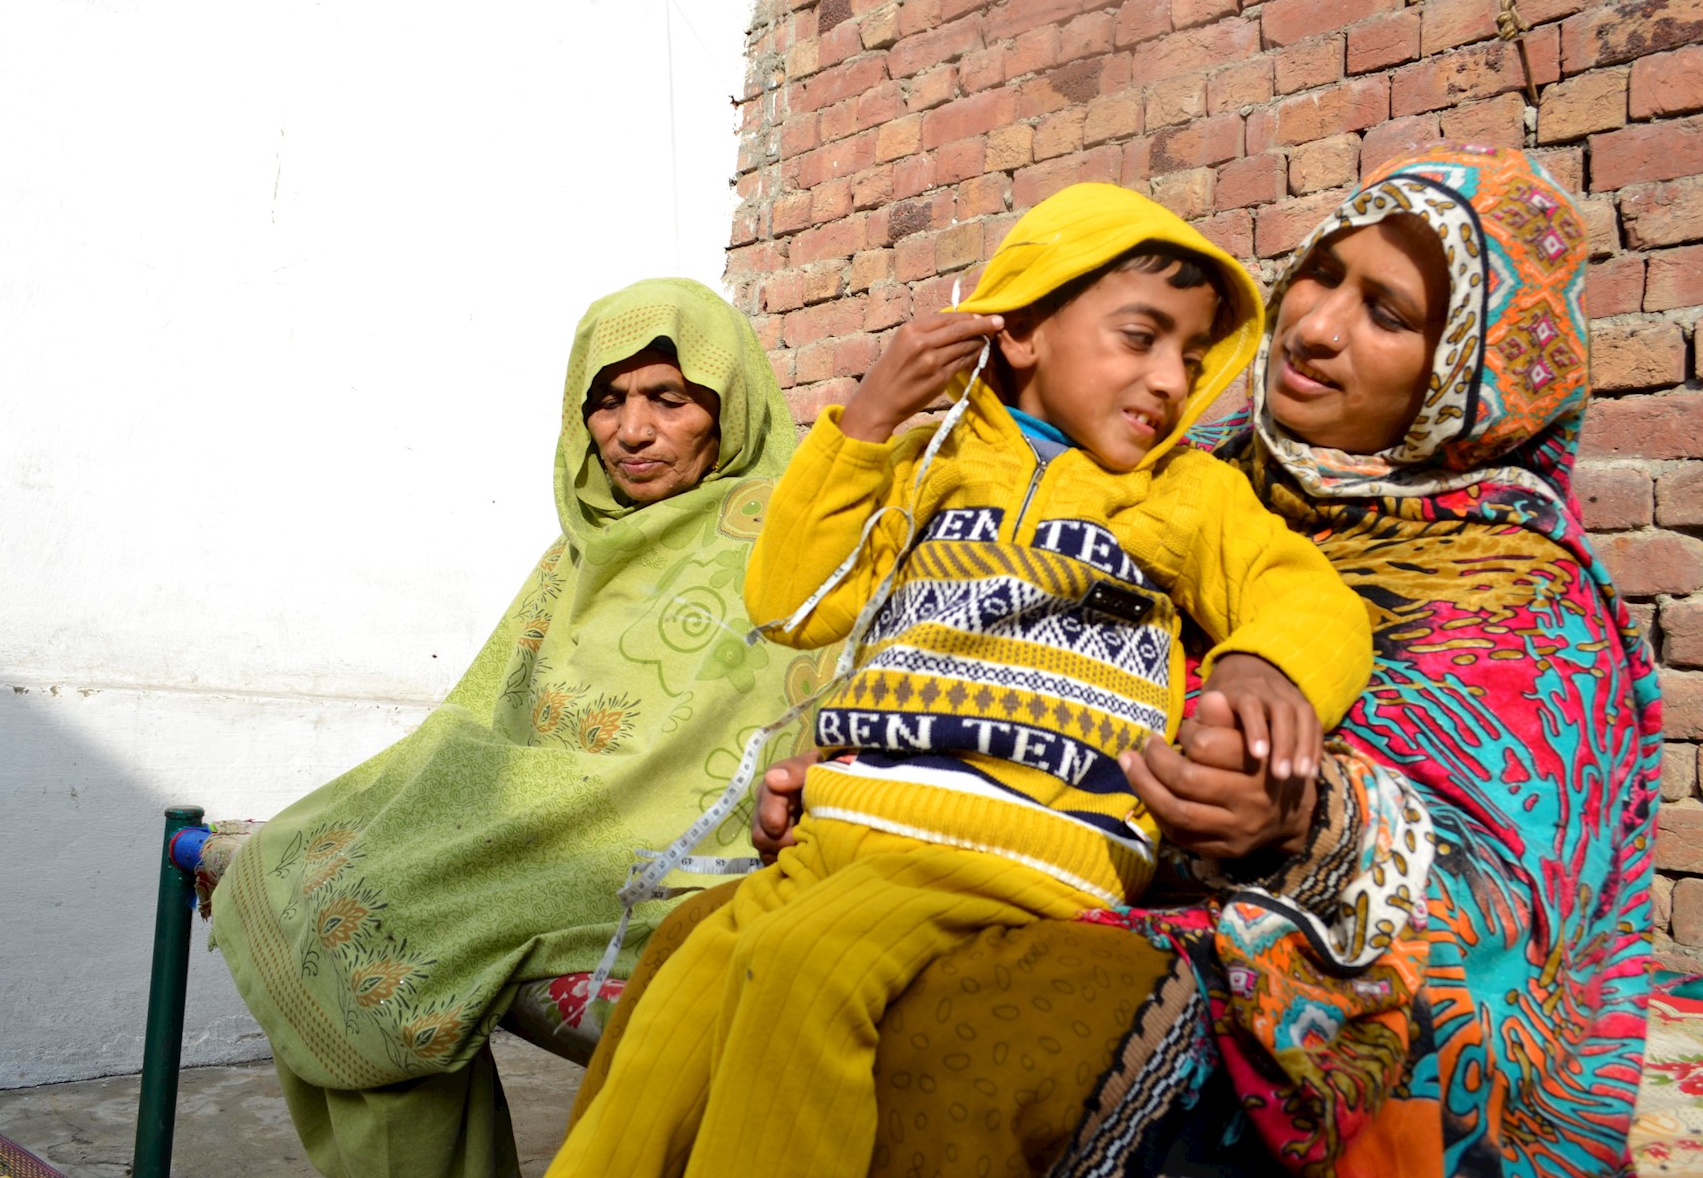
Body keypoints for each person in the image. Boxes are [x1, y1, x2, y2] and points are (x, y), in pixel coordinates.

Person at [576, 146, 1662, 1178]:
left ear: (1463, 370)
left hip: (1223, 923)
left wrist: (1302, 810)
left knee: (952, 1024)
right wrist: (881, 758)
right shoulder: (1173, 458)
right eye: (1318, 276)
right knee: (691, 948)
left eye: (1385, 313)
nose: (1316, 327)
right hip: (951, 832)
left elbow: (1497, 880)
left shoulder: (1510, 585)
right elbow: (849, 604)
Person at [552, 184, 1374, 1177]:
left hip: (1024, 834)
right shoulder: (923, 464)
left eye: (1192, 359)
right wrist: (866, 421)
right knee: (686, 992)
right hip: (848, 824)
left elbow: (1304, 592)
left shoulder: (1183, 491)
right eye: (1142, 336)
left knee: (801, 970)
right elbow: (792, 599)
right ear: (1023, 330)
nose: (1171, 380)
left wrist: (1263, 663)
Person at [208, 277, 822, 1178]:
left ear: (729, 408)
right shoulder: (577, 553)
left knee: (393, 919)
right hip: (539, 818)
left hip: (669, 856)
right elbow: (489, 713)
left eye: (669, 398)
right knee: (302, 876)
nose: (633, 431)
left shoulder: (782, 533)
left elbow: (721, 742)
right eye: (607, 402)